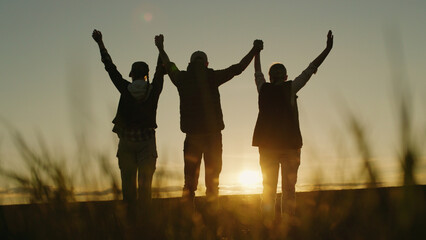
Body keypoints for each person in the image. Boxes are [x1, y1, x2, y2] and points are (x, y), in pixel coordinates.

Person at [154, 34, 263, 204]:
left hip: (193, 137)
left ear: (190, 63)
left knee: (189, 185)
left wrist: (160, 47)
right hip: (212, 136)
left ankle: (189, 221)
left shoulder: (181, 77)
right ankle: (212, 221)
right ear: (206, 63)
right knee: (212, 185)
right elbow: (238, 68)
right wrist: (254, 51)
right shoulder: (212, 76)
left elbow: (168, 65)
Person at [252, 30, 334, 225]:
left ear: (284, 75)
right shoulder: (269, 87)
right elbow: (257, 73)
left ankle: (282, 228)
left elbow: (310, 69)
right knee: (274, 189)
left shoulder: (285, 87)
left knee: (282, 189)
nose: (278, 73)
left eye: (280, 71)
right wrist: (257, 53)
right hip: (276, 147)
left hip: (285, 146)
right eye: (276, 71)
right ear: (273, 76)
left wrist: (327, 49)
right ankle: (273, 227)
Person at [92, 29, 165, 206]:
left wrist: (100, 43)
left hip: (126, 142)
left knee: (128, 189)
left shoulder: (124, 89)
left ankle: (130, 225)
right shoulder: (153, 90)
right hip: (147, 142)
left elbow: (110, 67)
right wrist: (160, 48)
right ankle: (145, 225)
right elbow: (160, 71)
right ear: (146, 75)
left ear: (132, 75)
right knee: (145, 188)